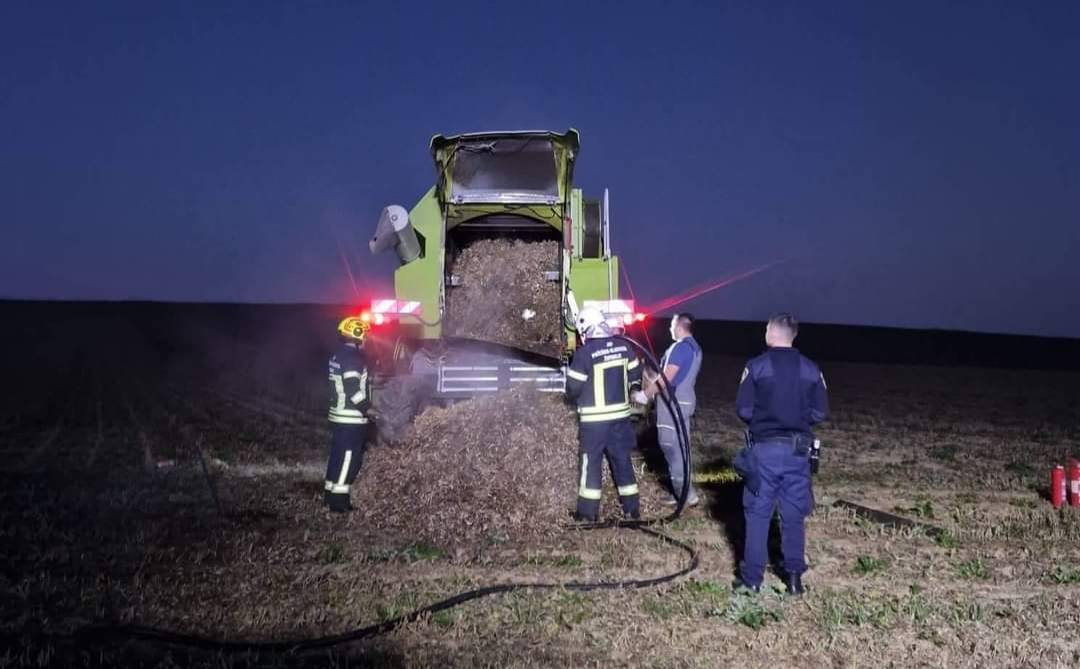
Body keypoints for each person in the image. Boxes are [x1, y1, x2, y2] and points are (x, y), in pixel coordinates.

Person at [734, 313, 829, 595]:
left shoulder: (756, 367)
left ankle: (752, 581)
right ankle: (794, 580)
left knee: (758, 514)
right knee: (793, 515)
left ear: (771, 332)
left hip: (764, 451)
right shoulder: (812, 369)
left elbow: (744, 409)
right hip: (798, 451)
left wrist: (766, 420)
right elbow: (820, 411)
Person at [565, 307, 643, 521]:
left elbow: (573, 388)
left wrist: (570, 399)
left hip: (595, 422)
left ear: (584, 328)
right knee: (622, 461)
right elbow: (636, 372)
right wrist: (634, 387)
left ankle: (587, 514)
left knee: (591, 464)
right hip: (620, 419)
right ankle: (632, 509)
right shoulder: (624, 347)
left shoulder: (584, 353)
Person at [636, 313, 703, 506]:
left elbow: (667, 378)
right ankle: (684, 493)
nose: (669, 329)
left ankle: (685, 495)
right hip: (684, 401)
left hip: (673, 404)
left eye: (672, 326)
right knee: (681, 446)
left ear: (680, 327)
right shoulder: (694, 347)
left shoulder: (680, 347)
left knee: (671, 446)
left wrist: (644, 395)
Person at [324, 316, 373, 513]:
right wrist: (368, 409)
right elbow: (353, 389)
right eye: (365, 334)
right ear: (357, 333)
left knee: (336, 456)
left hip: (338, 416)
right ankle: (339, 503)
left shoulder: (339, 355)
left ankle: (329, 495)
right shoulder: (353, 359)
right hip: (350, 418)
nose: (368, 338)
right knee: (348, 459)